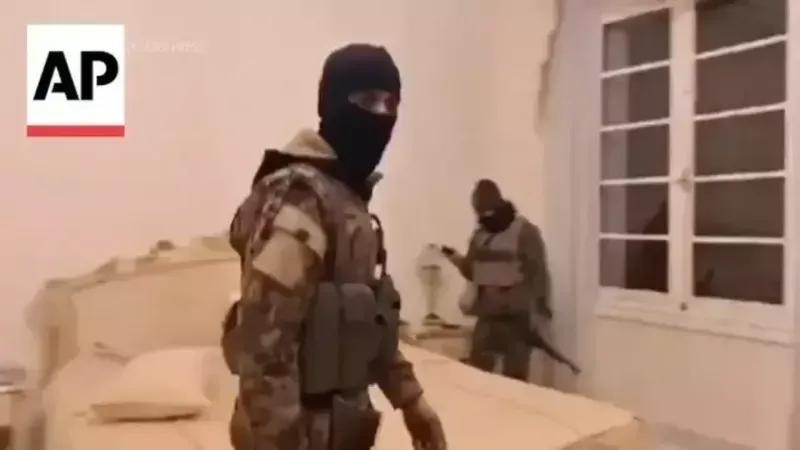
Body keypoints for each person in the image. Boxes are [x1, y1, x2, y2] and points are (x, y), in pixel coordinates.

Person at [222, 44, 446, 450]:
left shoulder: (347, 201)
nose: (381, 116)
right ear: (331, 105)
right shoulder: (301, 196)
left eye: (391, 104)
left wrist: (411, 400)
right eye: (367, 100)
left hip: (343, 431)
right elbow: (264, 343)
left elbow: (369, 326)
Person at [441, 179, 579, 381]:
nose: (485, 218)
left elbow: (538, 275)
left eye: (488, 212)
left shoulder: (525, 232)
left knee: (515, 382)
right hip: (487, 319)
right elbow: (473, 272)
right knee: (476, 378)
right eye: (481, 213)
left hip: (517, 321)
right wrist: (455, 259)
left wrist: (540, 313)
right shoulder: (479, 237)